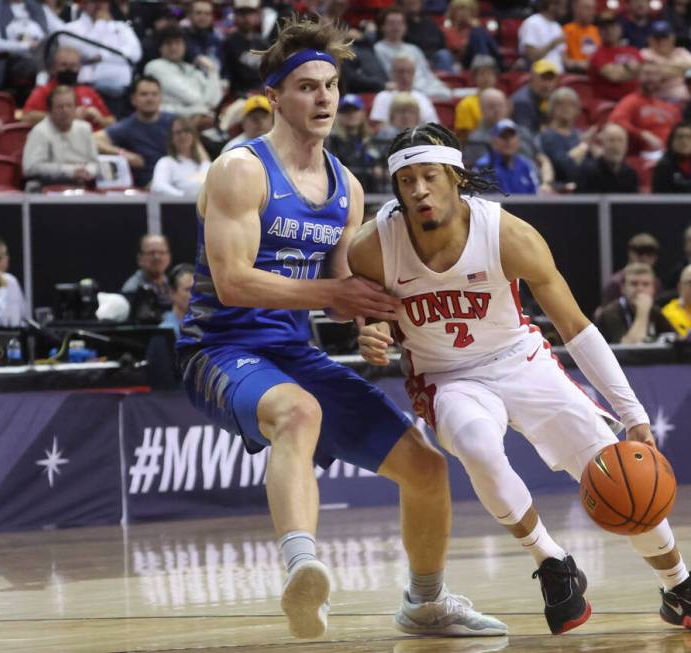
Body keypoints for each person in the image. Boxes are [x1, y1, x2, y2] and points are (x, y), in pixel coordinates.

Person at [177, 15, 505, 640]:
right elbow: (233, 283)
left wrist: (367, 325)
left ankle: (426, 602)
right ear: (273, 97)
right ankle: (303, 570)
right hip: (218, 346)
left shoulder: (346, 186)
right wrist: (337, 293)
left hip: (290, 349)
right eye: (306, 86)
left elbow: (341, 295)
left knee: (426, 467)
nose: (323, 97)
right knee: (298, 415)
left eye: (329, 85)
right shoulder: (240, 170)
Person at [351, 121, 691, 637]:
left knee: (616, 472)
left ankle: (678, 584)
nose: (419, 190)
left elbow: (577, 328)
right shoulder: (373, 247)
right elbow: (369, 315)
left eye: (430, 176)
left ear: (456, 177)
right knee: (477, 446)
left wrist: (633, 415)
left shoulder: (507, 234)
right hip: (445, 376)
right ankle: (552, 562)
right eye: (407, 180)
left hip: (519, 359)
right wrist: (371, 333)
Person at [94, 76, 175, 188]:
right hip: (150, 186)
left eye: (154, 94)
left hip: (179, 177)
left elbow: (197, 148)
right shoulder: (126, 127)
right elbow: (93, 140)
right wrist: (122, 154)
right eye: (144, 94)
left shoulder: (174, 121)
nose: (150, 99)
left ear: (161, 98)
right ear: (133, 99)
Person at [62, 0, 142, 112]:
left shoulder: (121, 26)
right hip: (87, 88)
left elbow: (135, 53)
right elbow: (89, 53)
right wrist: (100, 24)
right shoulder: (69, 29)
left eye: (104, 2)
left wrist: (102, 56)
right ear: (84, 4)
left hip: (122, 91)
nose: (101, 6)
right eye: (96, 2)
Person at [22, 85, 99, 189]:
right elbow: (30, 168)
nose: (65, 111)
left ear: (75, 108)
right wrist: (70, 171)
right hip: (47, 189)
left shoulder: (85, 128)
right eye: (60, 107)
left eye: (69, 106)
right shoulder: (39, 131)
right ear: (49, 110)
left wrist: (88, 172)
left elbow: (94, 162)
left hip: (81, 187)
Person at [21, 46, 114, 129]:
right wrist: (63, 116)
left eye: (73, 66)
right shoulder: (43, 91)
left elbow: (112, 122)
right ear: (54, 67)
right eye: (64, 65)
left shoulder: (89, 92)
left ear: (79, 68)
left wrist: (100, 118)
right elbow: (27, 117)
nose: (69, 69)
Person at [144, 26, 223, 124]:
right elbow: (194, 98)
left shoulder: (191, 68)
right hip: (167, 124)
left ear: (185, 46)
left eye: (178, 43)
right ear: (160, 47)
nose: (173, 47)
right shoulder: (155, 66)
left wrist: (212, 71)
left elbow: (213, 101)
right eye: (169, 43)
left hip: (195, 122)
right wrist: (201, 110)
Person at [374, 7, 450, 100]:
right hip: (406, 91)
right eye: (391, 23)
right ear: (382, 27)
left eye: (399, 23)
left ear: (405, 27)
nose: (396, 27)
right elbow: (389, 77)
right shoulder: (378, 49)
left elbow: (428, 75)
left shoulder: (413, 48)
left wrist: (440, 85)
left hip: (428, 89)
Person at [608, 63, 681, 158]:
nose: (651, 78)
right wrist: (643, 134)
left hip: (671, 153)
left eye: (655, 74)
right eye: (647, 74)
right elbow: (616, 121)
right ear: (639, 77)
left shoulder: (667, 105)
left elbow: (680, 128)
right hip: (646, 154)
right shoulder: (631, 101)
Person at [595, 262, 674, 343]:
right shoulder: (610, 313)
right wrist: (643, 312)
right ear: (622, 288)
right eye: (634, 284)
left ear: (653, 288)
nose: (640, 289)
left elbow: (674, 338)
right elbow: (629, 348)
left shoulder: (655, 311)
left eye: (645, 284)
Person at [539, 87, 594, 186]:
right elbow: (562, 167)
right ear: (551, 108)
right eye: (560, 103)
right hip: (559, 188)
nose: (566, 107)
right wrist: (583, 147)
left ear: (577, 109)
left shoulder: (579, 134)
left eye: (571, 104)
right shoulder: (547, 136)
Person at [368, 55, 439, 128]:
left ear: (414, 74)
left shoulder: (423, 98)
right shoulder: (383, 97)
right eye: (400, 71)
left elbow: (433, 128)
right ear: (392, 73)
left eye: (409, 71)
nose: (405, 76)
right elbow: (378, 128)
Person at [639, 20, 691, 103]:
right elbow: (653, 74)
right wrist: (683, 70)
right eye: (657, 38)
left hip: (687, 101)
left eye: (665, 37)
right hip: (658, 100)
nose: (661, 41)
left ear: (673, 38)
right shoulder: (644, 53)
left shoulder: (681, 51)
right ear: (650, 39)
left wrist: (661, 67)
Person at [473, 119, 540, 194]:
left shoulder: (527, 166)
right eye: (503, 136)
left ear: (518, 140)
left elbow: (536, 195)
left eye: (511, 136)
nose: (508, 141)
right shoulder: (483, 166)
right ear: (493, 141)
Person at [589, 11, 642, 103]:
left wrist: (636, 71)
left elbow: (645, 72)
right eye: (604, 28)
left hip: (635, 103)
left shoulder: (633, 51)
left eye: (612, 26)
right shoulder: (597, 54)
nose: (608, 30)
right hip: (609, 103)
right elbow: (615, 76)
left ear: (620, 29)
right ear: (599, 31)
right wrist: (630, 68)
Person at [151, 117, 212, 196]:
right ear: (171, 138)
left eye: (186, 131)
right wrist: (183, 197)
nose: (182, 135)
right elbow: (158, 187)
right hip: (178, 206)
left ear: (193, 135)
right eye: (178, 132)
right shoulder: (166, 162)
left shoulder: (205, 164)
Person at [574, 123, 640, 194]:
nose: (616, 146)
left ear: (627, 146)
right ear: (602, 144)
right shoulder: (588, 172)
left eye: (620, 140)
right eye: (611, 140)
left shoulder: (630, 174)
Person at [601, 232, 663, 303]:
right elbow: (607, 310)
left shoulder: (657, 283)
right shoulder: (615, 283)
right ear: (630, 253)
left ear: (655, 257)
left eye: (649, 253)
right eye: (640, 252)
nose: (644, 257)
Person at [651, 122, 691, 193]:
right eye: (680, 137)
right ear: (671, 141)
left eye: (689, 137)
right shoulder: (663, 167)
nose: (684, 142)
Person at [122, 234, 172, 310]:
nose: (157, 257)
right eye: (151, 253)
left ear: (169, 257)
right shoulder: (132, 290)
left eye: (162, 252)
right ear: (140, 259)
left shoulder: (173, 285)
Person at [454, 54, 499, 139]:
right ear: (474, 78)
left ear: (496, 76)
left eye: (489, 73)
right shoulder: (465, 105)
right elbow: (465, 139)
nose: (486, 78)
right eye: (482, 74)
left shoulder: (502, 101)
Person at [510, 59, 560, 134]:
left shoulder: (548, 98)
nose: (546, 85)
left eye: (550, 79)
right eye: (543, 78)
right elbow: (526, 137)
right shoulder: (523, 102)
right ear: (532, 78)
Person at [519, 0, 567, 74]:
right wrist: (552, 44)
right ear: (551, 5)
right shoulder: (532, 23)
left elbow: (563, 59)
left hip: (559, 76)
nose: (565, 10)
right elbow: (531, 57)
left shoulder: (557, 27)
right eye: (562, 6)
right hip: (540, 76)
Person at [563, 0, 601, 73]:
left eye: (593, 8)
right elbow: (565, 61)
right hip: (576, 75)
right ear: (575, 8)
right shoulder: (566, 30)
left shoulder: (597, 31)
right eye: (587, 8)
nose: (591, 12)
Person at [159, 263, 194, 337]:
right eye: (188, 289)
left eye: (197, 289)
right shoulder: (165, 331)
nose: (194, 294)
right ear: (172, 293)